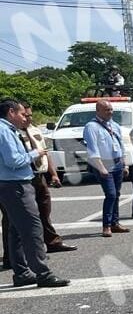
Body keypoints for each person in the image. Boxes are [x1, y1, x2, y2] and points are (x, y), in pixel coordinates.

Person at [0, 98, 70, 288]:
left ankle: (22, 273)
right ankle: (43, 273)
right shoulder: (4, 131)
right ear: (11, 112)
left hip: (12, 184)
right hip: (15, 185)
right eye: (22, 113)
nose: (25, 117)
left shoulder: (7, 130)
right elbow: (13, 160)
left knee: (15, 230)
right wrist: (35, 153)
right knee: (33, 229)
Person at [83, 99, 130, 237]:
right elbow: (93, 149)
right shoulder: (91, 127)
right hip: (103, 164)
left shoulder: (114, 125)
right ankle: (106, 225)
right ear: (98, 111)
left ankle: (115, 223)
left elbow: (121, 146)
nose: (110, 112)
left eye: (111, 109)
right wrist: (101, 168)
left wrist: (125, 164)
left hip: (117, 164)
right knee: (111, 194)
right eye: (106, 110)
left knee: (117, 194)